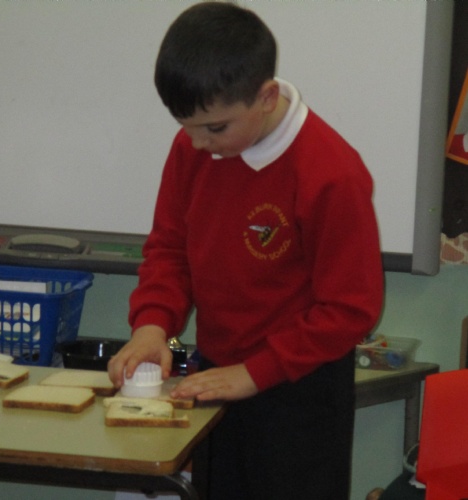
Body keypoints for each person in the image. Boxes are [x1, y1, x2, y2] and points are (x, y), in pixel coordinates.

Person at [108, 3, 383, 499]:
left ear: (266, 96)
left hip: (300, 389)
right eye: (185, 125)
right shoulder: (194, 148)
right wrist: (152, 327)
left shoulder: (331, 173)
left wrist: (255, 373)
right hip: (217, 376)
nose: (197, 144)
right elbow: (170, 250)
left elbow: (350, 309)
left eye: (215, 128)